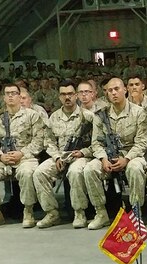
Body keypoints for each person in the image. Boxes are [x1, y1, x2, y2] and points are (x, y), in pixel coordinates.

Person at [82, 77, 147, 230]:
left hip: (132, 155)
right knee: (90, 169)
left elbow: (142, 143)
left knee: (135, 168)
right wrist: (103, 158)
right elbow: (96, 143)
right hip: (108, 156)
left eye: (117, 89)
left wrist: (126, 159)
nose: (113, 93)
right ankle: (101, 213)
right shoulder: (101, 115)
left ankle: (136, 213)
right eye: (109, 90)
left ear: (125, 90)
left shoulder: (138, 112)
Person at [0, 84, 43, 229]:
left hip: (25, 157)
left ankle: (28, 211)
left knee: (27, 172)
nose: (11, 96)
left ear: (20, 97)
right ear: (4, 97)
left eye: (14, 93)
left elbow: (39, 140)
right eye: (7, 93)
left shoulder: (32, 116)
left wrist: (22, 153)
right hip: (3, 158)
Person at [33, 80, 95, 229]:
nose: (67, 97)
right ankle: (52, 213)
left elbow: (98, 142)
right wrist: (56, 157)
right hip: (60, 157)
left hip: (80, 157)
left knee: (75, 172)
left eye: (70, 94)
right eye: (63, 94)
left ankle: (79, 213)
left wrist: (83, 152)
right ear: (59, 97)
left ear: (76, 96)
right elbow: (49, 141)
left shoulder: (88, 117)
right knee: (39, 173)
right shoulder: (53, 117)